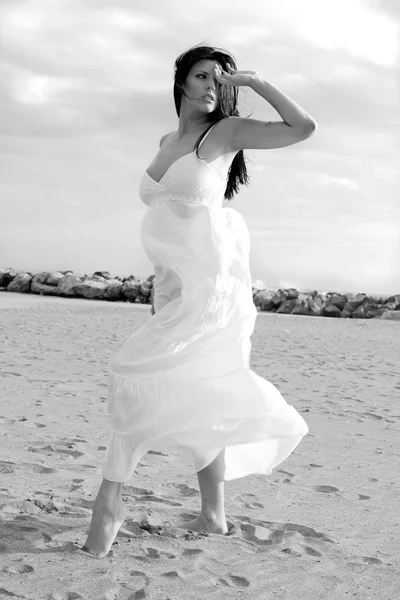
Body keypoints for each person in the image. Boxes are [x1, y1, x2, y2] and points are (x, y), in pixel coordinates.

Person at [83, 44, 317, 558]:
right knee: (197, 388)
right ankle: (214, 516)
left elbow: (303, 128)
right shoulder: (167, 140)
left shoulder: (224, 135)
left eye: (220, 80)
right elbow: (166, 227)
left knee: (130, 374)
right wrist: (158, 291)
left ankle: (108, 506)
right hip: (171, 287)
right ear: (181, 82)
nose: (213, 86)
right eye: (202, 76)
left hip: (211, 289)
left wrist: (255, 84)